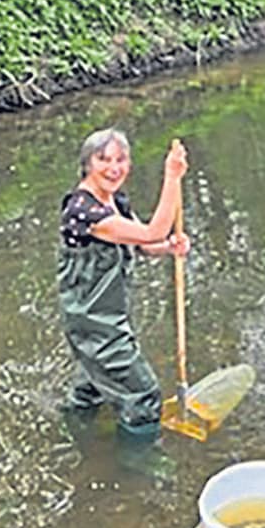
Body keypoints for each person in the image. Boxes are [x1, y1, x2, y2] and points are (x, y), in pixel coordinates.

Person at [58, 129, 189, 438]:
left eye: (121, 160)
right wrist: (172, 178)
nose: (114, 168)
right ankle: (138, 465)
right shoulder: (82, 211)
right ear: (87, 164)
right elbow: (151, 232)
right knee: (143, 394)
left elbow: (144, 244)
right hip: (94, 323)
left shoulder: (114, 200)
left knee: (92, 389)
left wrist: (170, 246)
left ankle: (72, 433)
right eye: (103, 160)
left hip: (107, 317)